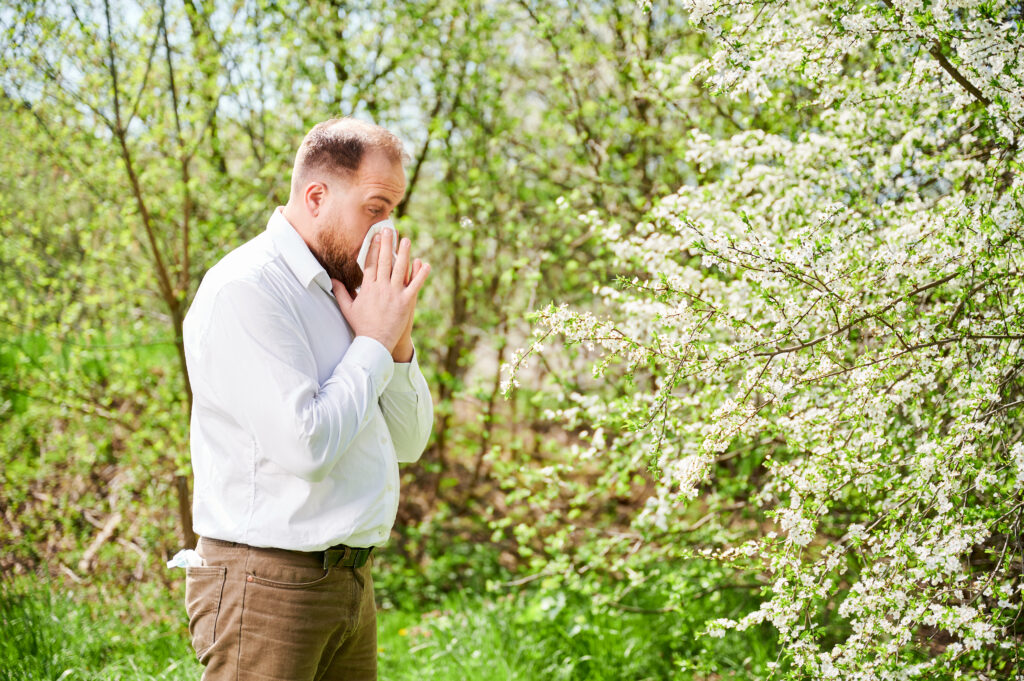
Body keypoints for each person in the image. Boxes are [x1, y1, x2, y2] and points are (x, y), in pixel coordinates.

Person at [181, 117, 433, 681]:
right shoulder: (247, 289)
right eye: (375, 207)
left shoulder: (349, 290)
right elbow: (308, 448)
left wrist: (397, 338)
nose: (383, 232)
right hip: (266, 586)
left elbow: (410, 443)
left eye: (392, 211)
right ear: (316, 195)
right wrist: (371, 340)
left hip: (349, 584)